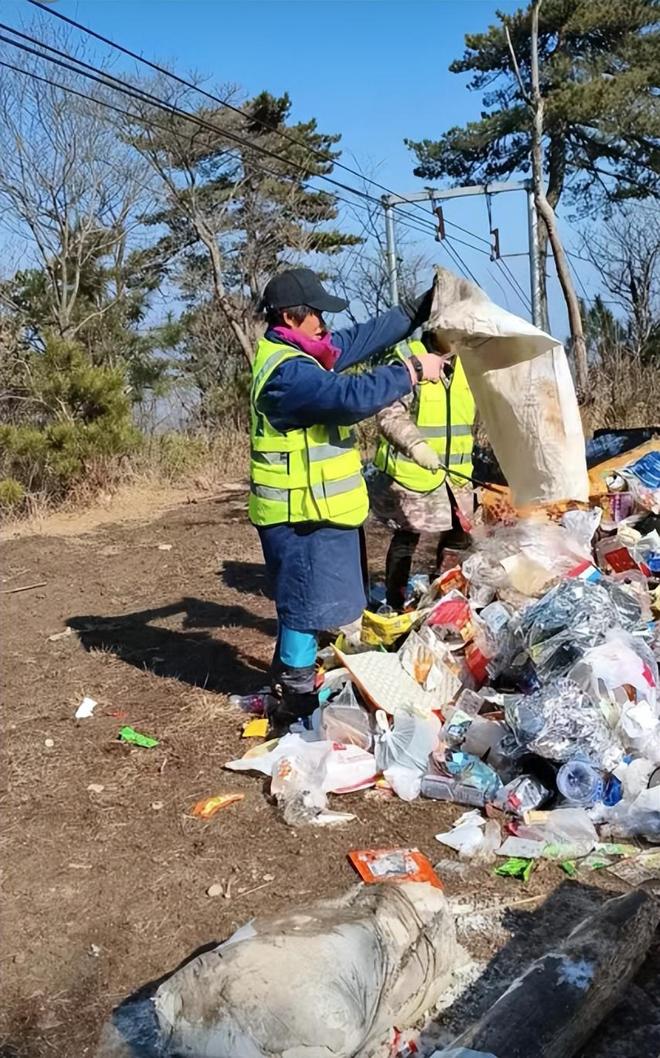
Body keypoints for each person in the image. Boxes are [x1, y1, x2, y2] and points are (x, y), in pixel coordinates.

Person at [250, 266, 442, 730]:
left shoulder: (306, 354)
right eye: (316, 315)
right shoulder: (288, 374)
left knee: (311, 604)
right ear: (291, 318)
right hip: (296, 515)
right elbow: (351, 396)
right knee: (302, 605)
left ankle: (290, 680)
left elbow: (364, 336)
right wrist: (413, 370)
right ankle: (295, 704)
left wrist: (424, 304)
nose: (324, 323)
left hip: (316, 509)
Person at [369, 332, 476, 610]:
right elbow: (388, 412)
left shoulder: (470, 362)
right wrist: (416, 445)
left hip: (457, 476)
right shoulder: (408, 357)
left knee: (459, 539)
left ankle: (442, 601)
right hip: (412, 475)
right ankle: (394, 605)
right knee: (407, 539)